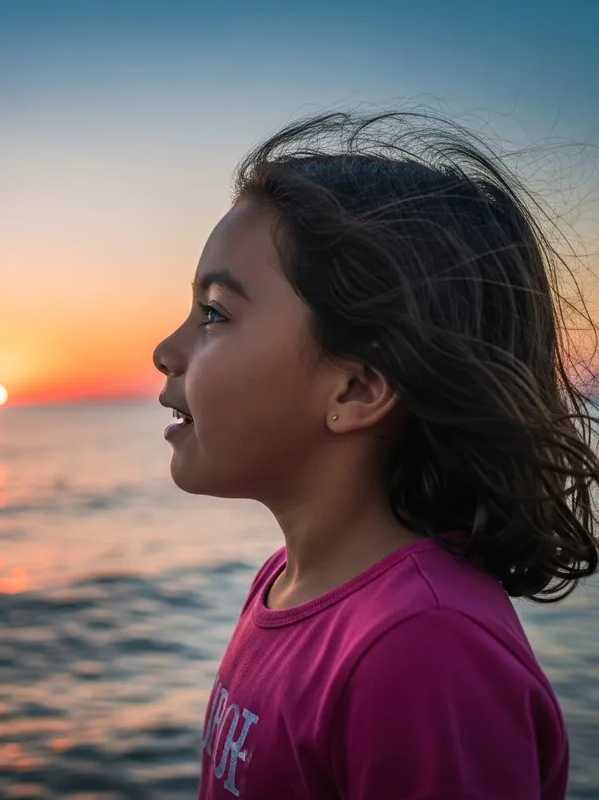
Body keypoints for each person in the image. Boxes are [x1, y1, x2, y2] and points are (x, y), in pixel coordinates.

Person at [152, 110, 599, 800]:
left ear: (357, 388)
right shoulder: (286, 583)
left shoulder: (423, 650)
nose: (165, 351)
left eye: (215, 313)